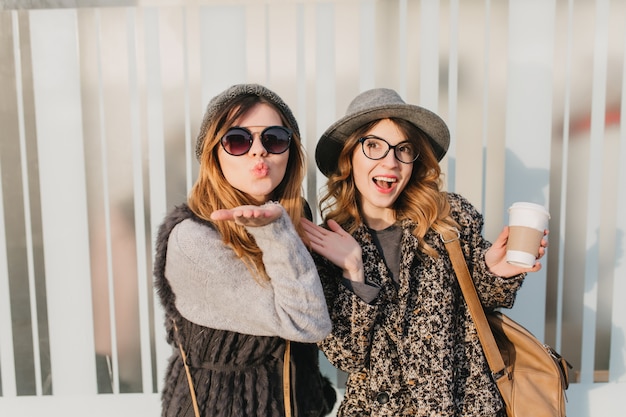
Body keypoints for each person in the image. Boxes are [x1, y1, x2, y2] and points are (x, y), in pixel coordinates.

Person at [302, 88, 548, 416]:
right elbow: (345, 356)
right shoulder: (328, 243)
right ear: (349, 157)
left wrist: (496, 270)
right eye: (373, 146)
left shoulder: (450, 218)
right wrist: (353, 271)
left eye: (403, 149)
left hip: (464, 407)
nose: (390, 161)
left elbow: (484, 300)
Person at [154, 83, 335, 417]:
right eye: (237, 140)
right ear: (214, 155)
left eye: (274, 139)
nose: (258, 152)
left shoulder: (294, 218)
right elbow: (307, 321)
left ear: (290, 152)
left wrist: (352, 266)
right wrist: (275, 232)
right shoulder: (191, 240)